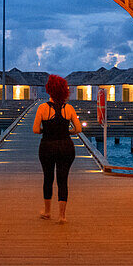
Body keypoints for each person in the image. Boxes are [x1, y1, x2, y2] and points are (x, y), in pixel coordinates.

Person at [32, 74, 82, 223]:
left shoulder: (42, 108)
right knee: (63, 179)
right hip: (66, 146)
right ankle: (62, 216)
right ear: (63, 92)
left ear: (49, 91)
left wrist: (46, 131)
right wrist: (68, 131)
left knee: (48, 178)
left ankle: (47, 212)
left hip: (47, 146)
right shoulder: (69, 108)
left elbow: (35, 129)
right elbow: (78, 129)